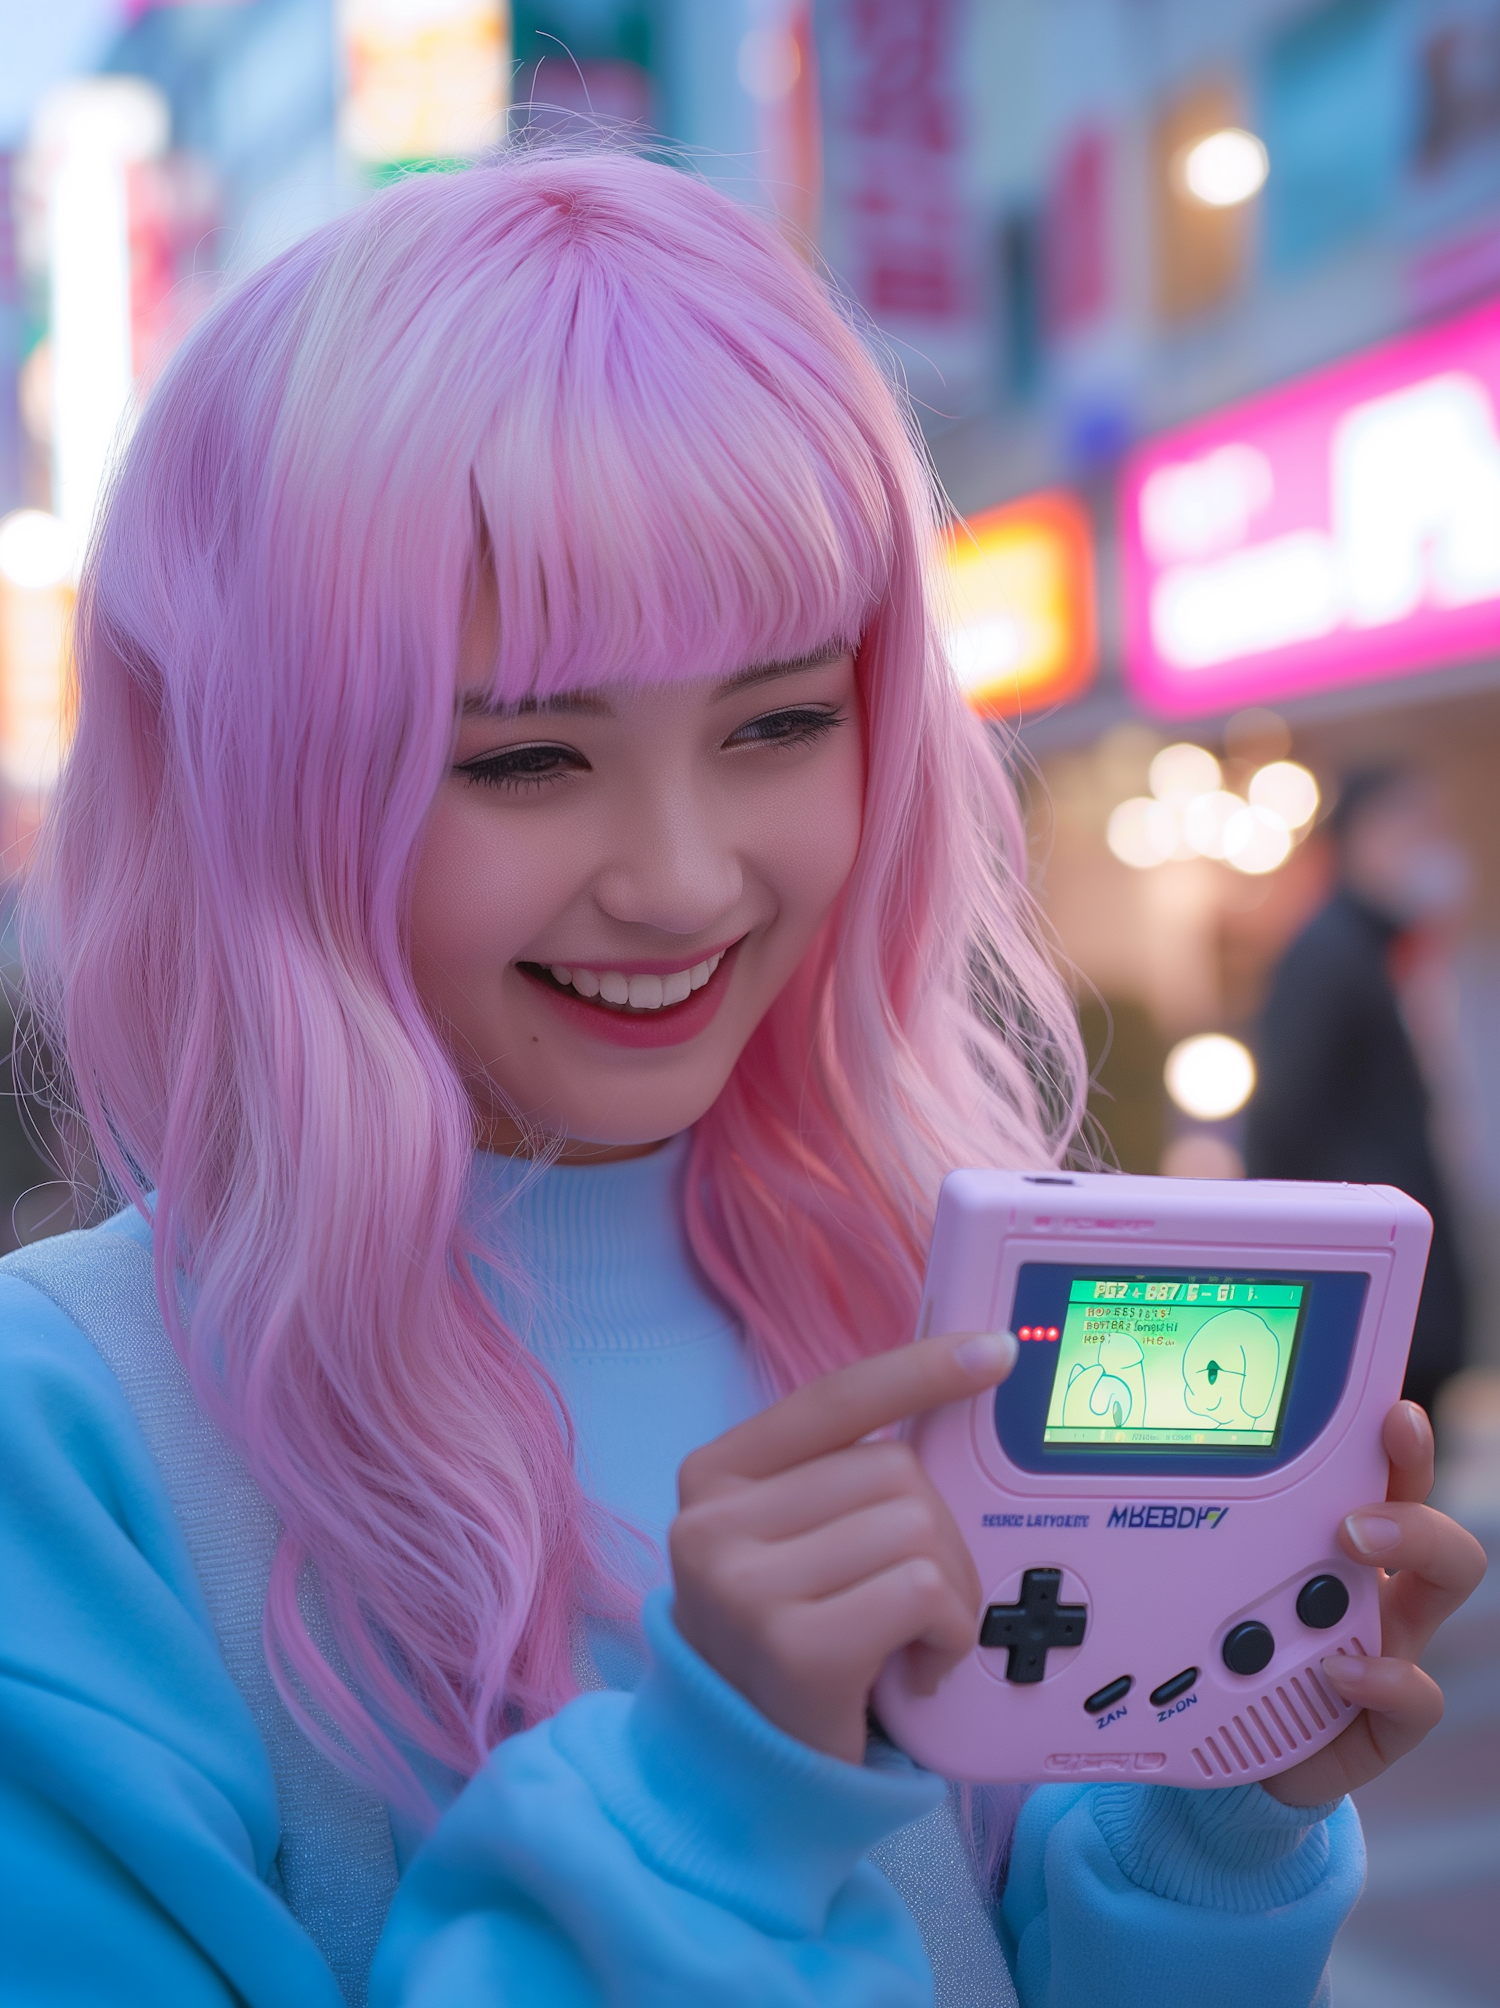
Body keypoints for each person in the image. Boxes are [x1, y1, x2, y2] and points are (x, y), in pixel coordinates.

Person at [0, 151, 1483, 2008]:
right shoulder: (71, 1427)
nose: (686, 875)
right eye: (529, 759)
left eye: (782, 723)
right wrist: (710, 1802)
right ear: (259, 772)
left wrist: (1209, 1819)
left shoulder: (945, 1288)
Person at [1244, 765, 1471, 1413]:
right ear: (1364, 834)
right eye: (1417, 829)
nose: (1432, 848)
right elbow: (1283, 1124)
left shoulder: (1379, 951)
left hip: (1397, 1299)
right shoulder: (1327, 953)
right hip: (1369, 1309)